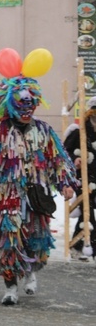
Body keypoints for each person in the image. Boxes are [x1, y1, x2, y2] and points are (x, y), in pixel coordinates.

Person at [0, 73, 78, 305]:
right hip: (5, 197)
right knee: (7, 242)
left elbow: (57, 160)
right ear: (10, 104)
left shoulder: (44, 131)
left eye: (31, 103)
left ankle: (30, 272)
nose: (28, 108)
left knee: (35, 239)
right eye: (22, 103)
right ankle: (10, 288)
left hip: (35, 196)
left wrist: (66, 183)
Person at [63, 95, 96, 260]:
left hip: (95, 177)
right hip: (81, 177)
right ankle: (88, 246)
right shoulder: (79, 131)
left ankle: (79, 244)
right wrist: (74, 159)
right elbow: (65, 152)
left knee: (87, 211)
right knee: (87, 208)